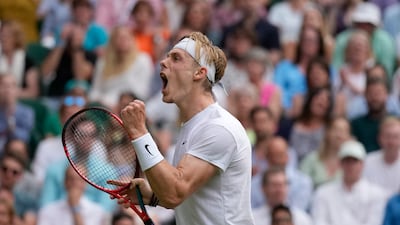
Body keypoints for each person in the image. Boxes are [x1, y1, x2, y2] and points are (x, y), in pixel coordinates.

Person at [108, 32, 255, 225]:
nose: (163, 62)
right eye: (167, 56)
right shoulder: (193, 126)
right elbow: (189, 195)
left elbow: (174, 193)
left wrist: (139, 133)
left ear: (199, 73)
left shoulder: (219, 128)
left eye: (176, 58)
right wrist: (153, 196)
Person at [311, 139, 388, 225]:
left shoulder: (376, 195)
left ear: (362, 164)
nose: (350, 166)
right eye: (347, 161)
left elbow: (373, 222)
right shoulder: (323, 192)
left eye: (354, 161)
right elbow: (319, 221)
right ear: (340, 164)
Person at [37, 166, 110, 225]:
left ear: (86, 183)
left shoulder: (97, 212)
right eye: (71, 179)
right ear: (64, 182)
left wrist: (76, 208)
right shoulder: (48, 211)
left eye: (80, 179)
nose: (75, 183)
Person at [363, 116, 400, 195]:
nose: (391, 142)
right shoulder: (367, 162)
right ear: (379, 138)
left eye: (395, 137)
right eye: (387, 136)